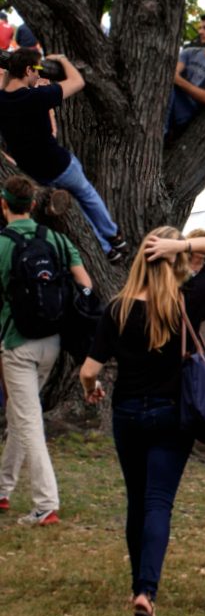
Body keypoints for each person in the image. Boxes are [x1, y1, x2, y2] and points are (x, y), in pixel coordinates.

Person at [79, 228, 205, 616]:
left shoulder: (118, 308)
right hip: (170, 414)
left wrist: (92, 390)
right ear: (176, 262)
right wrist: (181, 245)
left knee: (136, 499)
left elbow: (89, 370)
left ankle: (137, 587)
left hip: (127, 413)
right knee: (158, 502)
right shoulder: (185, 301)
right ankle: (147, 590)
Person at [0, 174, 93, 526]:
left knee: (27, 419)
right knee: (20, 414)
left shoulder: (2, 244)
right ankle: (3, 488)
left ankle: (45, 504)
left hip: (16, 343)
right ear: (36, 204)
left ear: (4, 205)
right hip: (51, 343)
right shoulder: (56, 239)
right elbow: (86, 284)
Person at [0, 48, 126, 262]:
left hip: (35, 173)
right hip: (60, 164)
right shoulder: (38, 97)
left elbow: (5, 86)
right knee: (86, 195)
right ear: (28, 70)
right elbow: (78, 81)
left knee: (76, 208)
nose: (39, 75)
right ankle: (113, 235)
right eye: (37, 70)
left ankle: (106, 250)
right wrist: (63, 60)